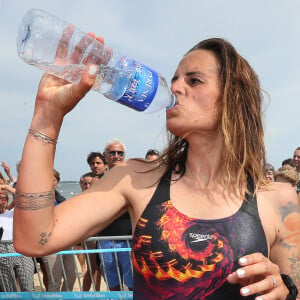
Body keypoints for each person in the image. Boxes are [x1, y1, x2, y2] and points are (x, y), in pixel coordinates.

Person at [13, 37, 299, 299]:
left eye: (194, 80)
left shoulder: (279, 200)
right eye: (175, 79)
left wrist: (286, 289)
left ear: (233, 97)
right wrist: (47, 115)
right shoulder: (135, 179)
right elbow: (34, 239)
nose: (174, 87)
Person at [98, 139, 133, 291]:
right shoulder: (98, 181)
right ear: (105, 156)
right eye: (112, 153)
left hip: (128, 239)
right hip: (105, 238)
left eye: (120, 153)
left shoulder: (133, 179)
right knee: (112, 281)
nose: (116, 156)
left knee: (132, 282)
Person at [41, 169, 76, 291]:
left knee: (71, 277)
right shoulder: (40, 200)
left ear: (57, 182)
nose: (51, 183)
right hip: (50, 243)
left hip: (66, 242)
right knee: (55, 281)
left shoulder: (62, 199)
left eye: (54, 180)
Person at [0, 190, 34, 292]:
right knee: (9, 290)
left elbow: (26, 197)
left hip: (20, 251)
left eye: (3, 198)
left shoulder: (12, 213)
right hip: (2, 254)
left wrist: (6, 187)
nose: (2, 200)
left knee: (27, 287)